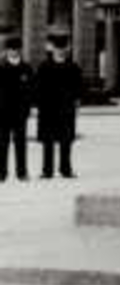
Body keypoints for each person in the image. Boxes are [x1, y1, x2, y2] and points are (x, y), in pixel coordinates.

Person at [35, 31, 84, 178]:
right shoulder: (44, 67)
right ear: (52, 49)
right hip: (48, 108)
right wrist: (39, 104)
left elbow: (79, 87)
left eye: (63, 48)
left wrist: (77, 101)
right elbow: (37, 87)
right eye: (58, 48)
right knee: (48, 141)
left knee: (66, 140)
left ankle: (65, 169)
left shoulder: (73, 67)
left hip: (66, 108)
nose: (60, 51)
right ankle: (47, 170)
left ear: (67, 49)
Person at [0, 33, 34, 181]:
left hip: (20, 112)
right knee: (2, 144)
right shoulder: (0, 67)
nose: (13, 51)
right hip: (2, 111)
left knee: (21, 143)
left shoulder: (26, 68)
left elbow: (31, 90)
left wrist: (27, 108)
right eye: (10, 49)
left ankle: (22, 172)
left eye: (16, 49)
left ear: (20, 50)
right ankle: (1, 172)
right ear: (6, 50)